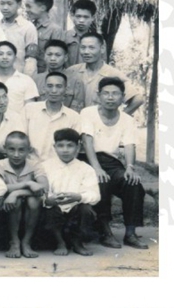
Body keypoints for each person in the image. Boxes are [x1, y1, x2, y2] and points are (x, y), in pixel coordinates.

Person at [81, 77, 149, 250]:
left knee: (133, 184)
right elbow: (87, 142)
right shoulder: (88, 113)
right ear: (99, 95)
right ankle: (105, 231)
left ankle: (130, 233)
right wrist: (96, 168)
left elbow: (129, 145)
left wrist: (130, 167)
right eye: (106, 93)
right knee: (101, 183)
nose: (110, 98)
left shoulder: (127, 119)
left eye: (115, 94)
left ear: (123, 97)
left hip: (113, 163)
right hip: (90, 161)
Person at [41, 128, 100, 256]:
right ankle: (60, 242)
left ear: (78, 147)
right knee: (50, 210)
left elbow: (95, 195)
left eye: (70, 146)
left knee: (86, 209)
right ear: (54, 147)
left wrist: (79, 197)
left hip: (75, 208)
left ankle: (77, 242)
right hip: (54, 207)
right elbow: (41, 190)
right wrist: (48, 200)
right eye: (60, 146)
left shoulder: (86, 169)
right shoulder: (44, 167)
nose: (65, 150)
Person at [0, 131, 48, 258]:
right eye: (11, 149)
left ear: (29, 150)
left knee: (33, 200)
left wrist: (16, 193)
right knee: (16, 201)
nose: (16, 155)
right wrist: (27, 183)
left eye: (21, 150)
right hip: (7, 207)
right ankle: (14, 241)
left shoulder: (34, 164)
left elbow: (44, 187)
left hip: (31, 206)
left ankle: (26, 241)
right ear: (5, 149)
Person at [68, 32, 142, 114]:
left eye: (91, 48)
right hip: (74, 121)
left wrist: (119, 118)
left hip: (98, 121)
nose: (86, 52)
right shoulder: (72, 71)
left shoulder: (113, 74)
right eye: (83, 47)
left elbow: (138, 100)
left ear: (102, 49)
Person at [24, 72, 81, 162]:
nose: (54, 90)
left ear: (66, 89)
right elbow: (20, 137)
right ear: (44, 88)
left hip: (58, 166)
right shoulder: (30, 109)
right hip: (29, 163)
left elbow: (73, 149)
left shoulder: (74, 117)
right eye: (50, 86)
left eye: (59, 86)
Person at [32, 40, 86, 112]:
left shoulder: (75, 81)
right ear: (44, 56)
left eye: (57, 55)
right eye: (49, 54)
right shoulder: (36, 79)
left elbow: (77, 109)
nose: (53, 58)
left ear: (66, 57)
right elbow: (32, 106)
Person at [0, 41, 39, 115]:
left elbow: (31, 110)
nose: (5, 57)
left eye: (9, 54)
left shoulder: (26, 81)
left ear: (15, 58)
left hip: (20, 122)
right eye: (0, 54)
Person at [0, 0, 38, 75]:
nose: (5, 7)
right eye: (2, 3)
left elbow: (31, 59)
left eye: (9, 4)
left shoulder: (27, 27)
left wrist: (26, 79)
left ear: (19, 4)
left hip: (18, 76)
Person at [25, 0, 64, 74]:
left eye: (29, 6)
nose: (26, 10)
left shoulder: (55, 30)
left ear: (42, 8)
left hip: (43, 73)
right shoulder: (27, 27)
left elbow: (56, 56)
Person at [65, 0, 98, 67]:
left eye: (86, 17)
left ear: (93, 18)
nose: (81, 20)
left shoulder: (98, 40)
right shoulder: (63, 37)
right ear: (72, 16)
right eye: (78, 16)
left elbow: (102, 64)